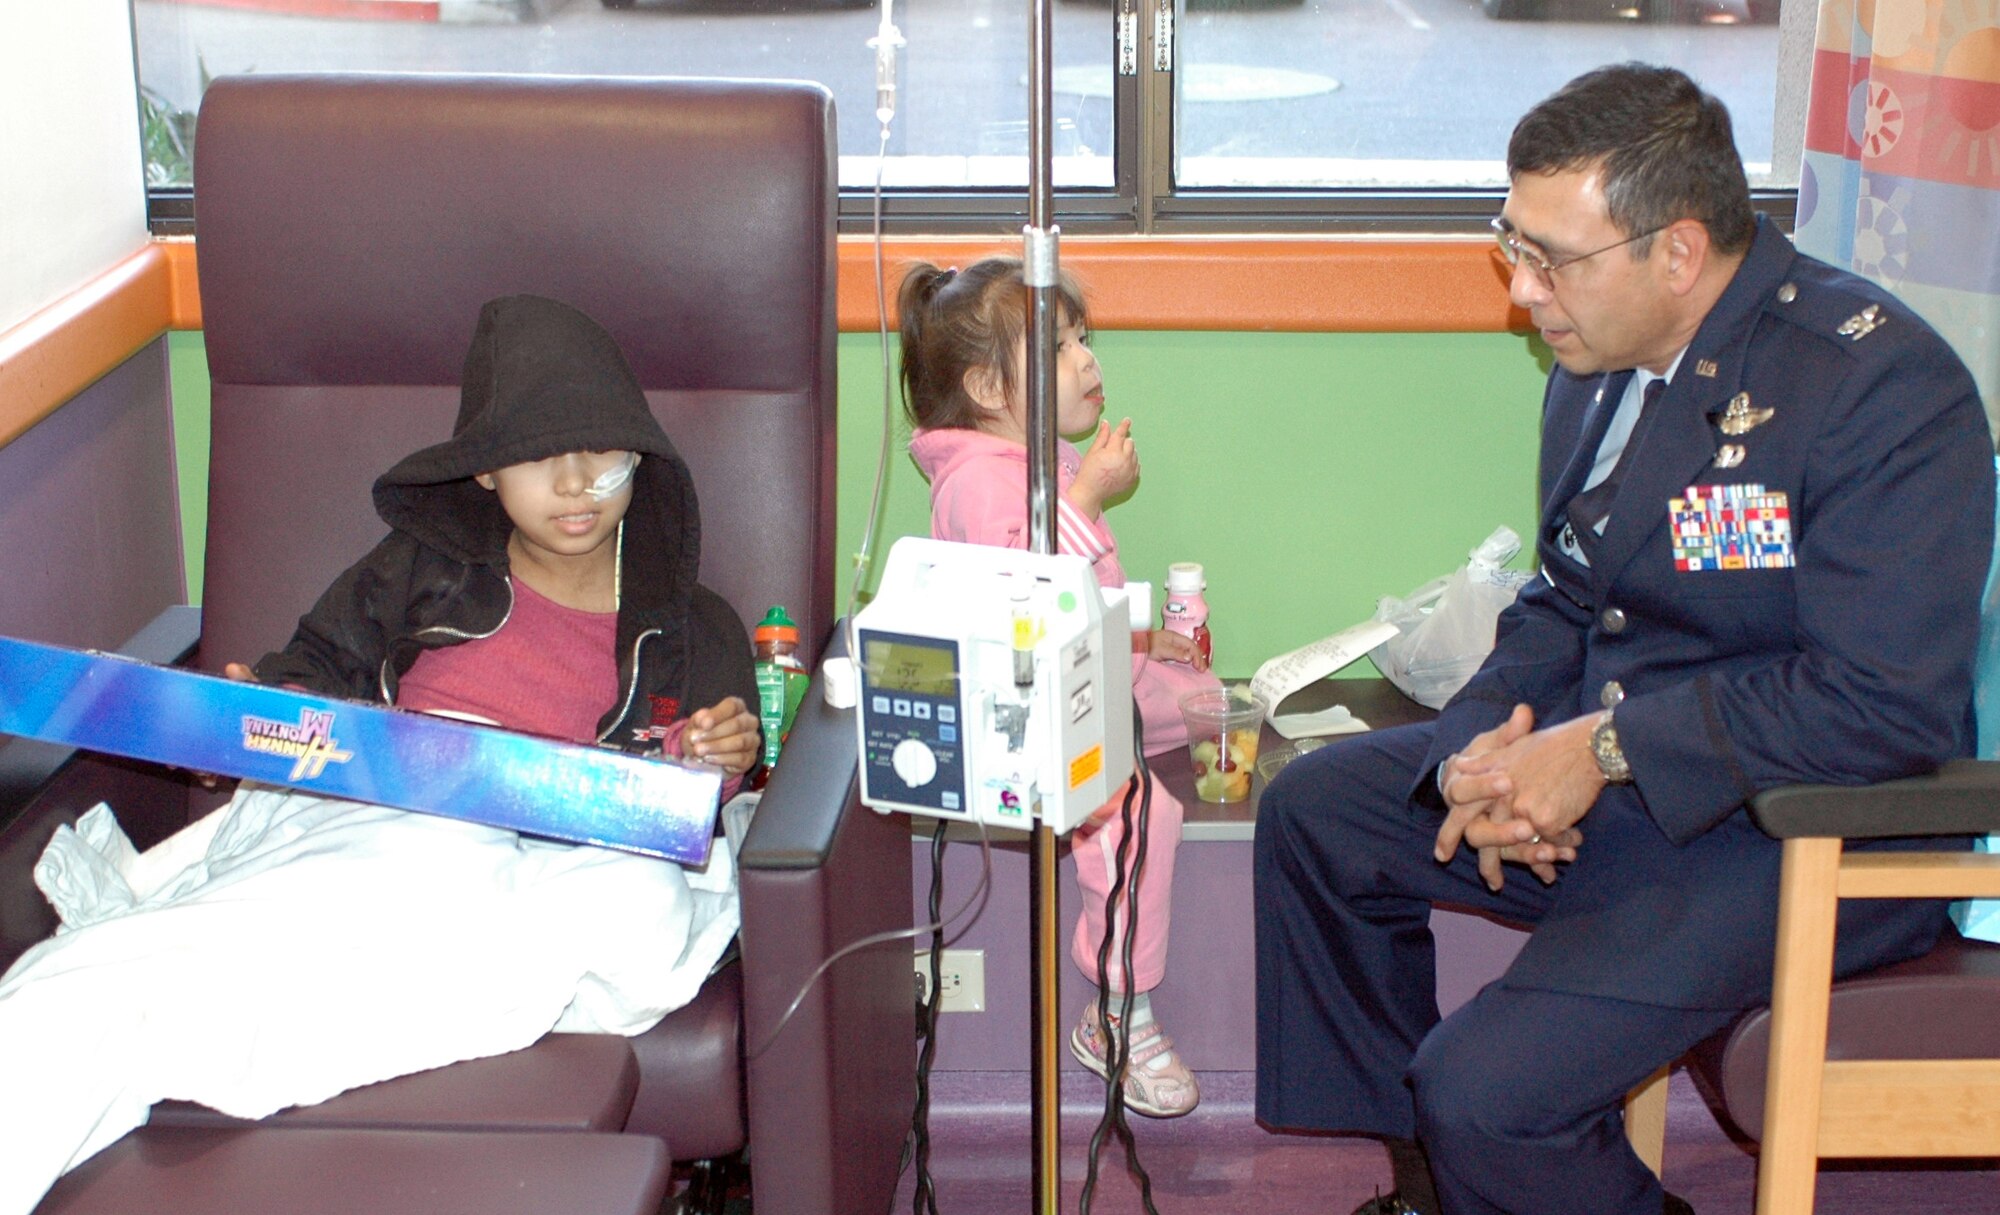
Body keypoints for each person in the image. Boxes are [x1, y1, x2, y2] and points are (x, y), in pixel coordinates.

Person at [1253, 63, 1994, 1215]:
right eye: (1511, 244)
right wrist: (1473, 753)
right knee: (1317, 813)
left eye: (1550, 258)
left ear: (1677, 253)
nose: (1521, 291)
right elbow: (1562, 596)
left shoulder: (1874, 389)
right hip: (1626, 787)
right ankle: (1431, 1188)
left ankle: (1484, 1159)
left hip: (1789, 831)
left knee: (1485, 1096)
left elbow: (1878, 705)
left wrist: (1595, 754)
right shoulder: (1595, 365)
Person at [0, 294, 761, 1214]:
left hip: (558, 850)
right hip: (395, 819)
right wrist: (264, 711)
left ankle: (319, 992)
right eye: (538, 455)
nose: (573, 481)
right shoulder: (417, 566)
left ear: (640, 460)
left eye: (601, 452)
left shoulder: (690, 622)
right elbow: (311, 676)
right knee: (110, 987)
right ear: (483, 474)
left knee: (643, 902)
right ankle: (142, 1005)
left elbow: (713, 765)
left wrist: (718, 756)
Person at [900, 257, 1219, 1117]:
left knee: (1210, 701)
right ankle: (1120, 1008)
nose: (1088, 360)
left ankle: (1184, 697)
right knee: (1142, 815)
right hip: (1034, 719)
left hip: (1094, 674)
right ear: (986, 386)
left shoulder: (1037, 458)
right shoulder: (975, 479)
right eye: (1063, 346)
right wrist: (1089, 493)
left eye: (1085, 339)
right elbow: (1026, 597)